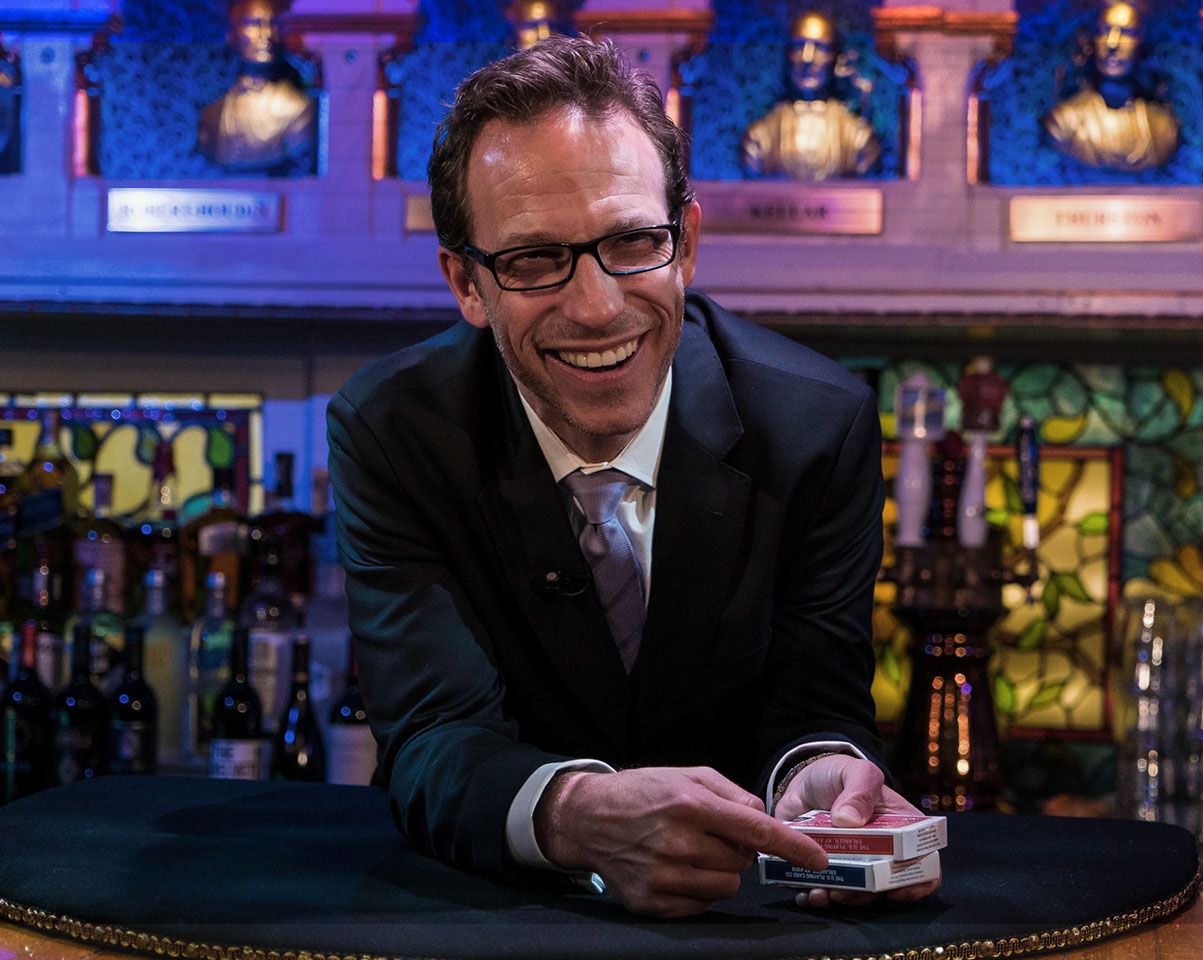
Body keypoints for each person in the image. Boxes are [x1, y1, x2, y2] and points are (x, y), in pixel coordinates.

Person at [328, 35, 938, 918]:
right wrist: (574, 814)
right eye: (533, 259)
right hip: (493, 920)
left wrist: (820, 775)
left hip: (740, 921)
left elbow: (816, 702)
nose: (597, 307)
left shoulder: (815, 427)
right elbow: (432, 735)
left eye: (633, 242)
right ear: (466, 283)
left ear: (685, 245)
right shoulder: (394, 431)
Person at [741, 11, 880, 181]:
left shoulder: (858, 137)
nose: (807, 59)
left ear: (836, 58)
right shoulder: (760, 137)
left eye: (820, 47)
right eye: (799, 46)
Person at [1042, 0, 1179, 172]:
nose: (1112, 43)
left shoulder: (1163, 127)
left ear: (1142, 43)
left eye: (1126, 33)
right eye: (1104, 31)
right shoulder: (1063, 122)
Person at [197, 0, 317, 175]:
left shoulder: (297, 108)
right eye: (254, 23)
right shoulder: (211, 112)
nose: (266, 33)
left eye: (274, 24)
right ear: (231, 34)